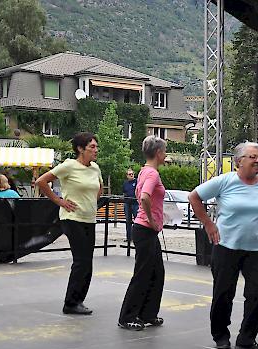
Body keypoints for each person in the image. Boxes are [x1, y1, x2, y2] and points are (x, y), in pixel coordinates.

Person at [189, 142, 258, 349]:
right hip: (226, 247)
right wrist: (208, 223)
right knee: (224, 293)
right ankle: (221, 335)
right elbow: (194, 197)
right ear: (238, 161)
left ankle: (246, 339)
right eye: (252, 157)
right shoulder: (225, 181)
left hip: (256, 250)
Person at [36, 132, 103, 315]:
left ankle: (78, 300)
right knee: (81, 261)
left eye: (96, 146)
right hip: (72, 218)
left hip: (89, 219)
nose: (96, 150)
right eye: (92, 147)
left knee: (87, 262)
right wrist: (60, 201)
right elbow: (41, 181)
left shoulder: (95, 168)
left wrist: (90, 203)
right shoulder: (69, 166)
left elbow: (99, 189)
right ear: (80, 149)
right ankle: (71, 303)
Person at [118, 136, 167, 331]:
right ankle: (127, 316)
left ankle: (147, 313)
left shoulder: (144, 171)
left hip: (145, 230)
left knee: (157, 272)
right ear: (158, 153)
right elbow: (145, 197)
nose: (165, 154)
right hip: (146, 229)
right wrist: (153, 220)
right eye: (164, 151)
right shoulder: (152, 174)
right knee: (142, 273)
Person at [122, 168, 138, 243]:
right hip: (127, 203)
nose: (131, 175)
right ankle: (129, 237)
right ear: (127, 176)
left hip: (135, 203)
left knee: (137, 220)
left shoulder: (137, 181)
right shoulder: (125, 183)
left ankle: (137, 237)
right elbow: (124, 192)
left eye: (132, 174)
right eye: (130, 174)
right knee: (128, 221)